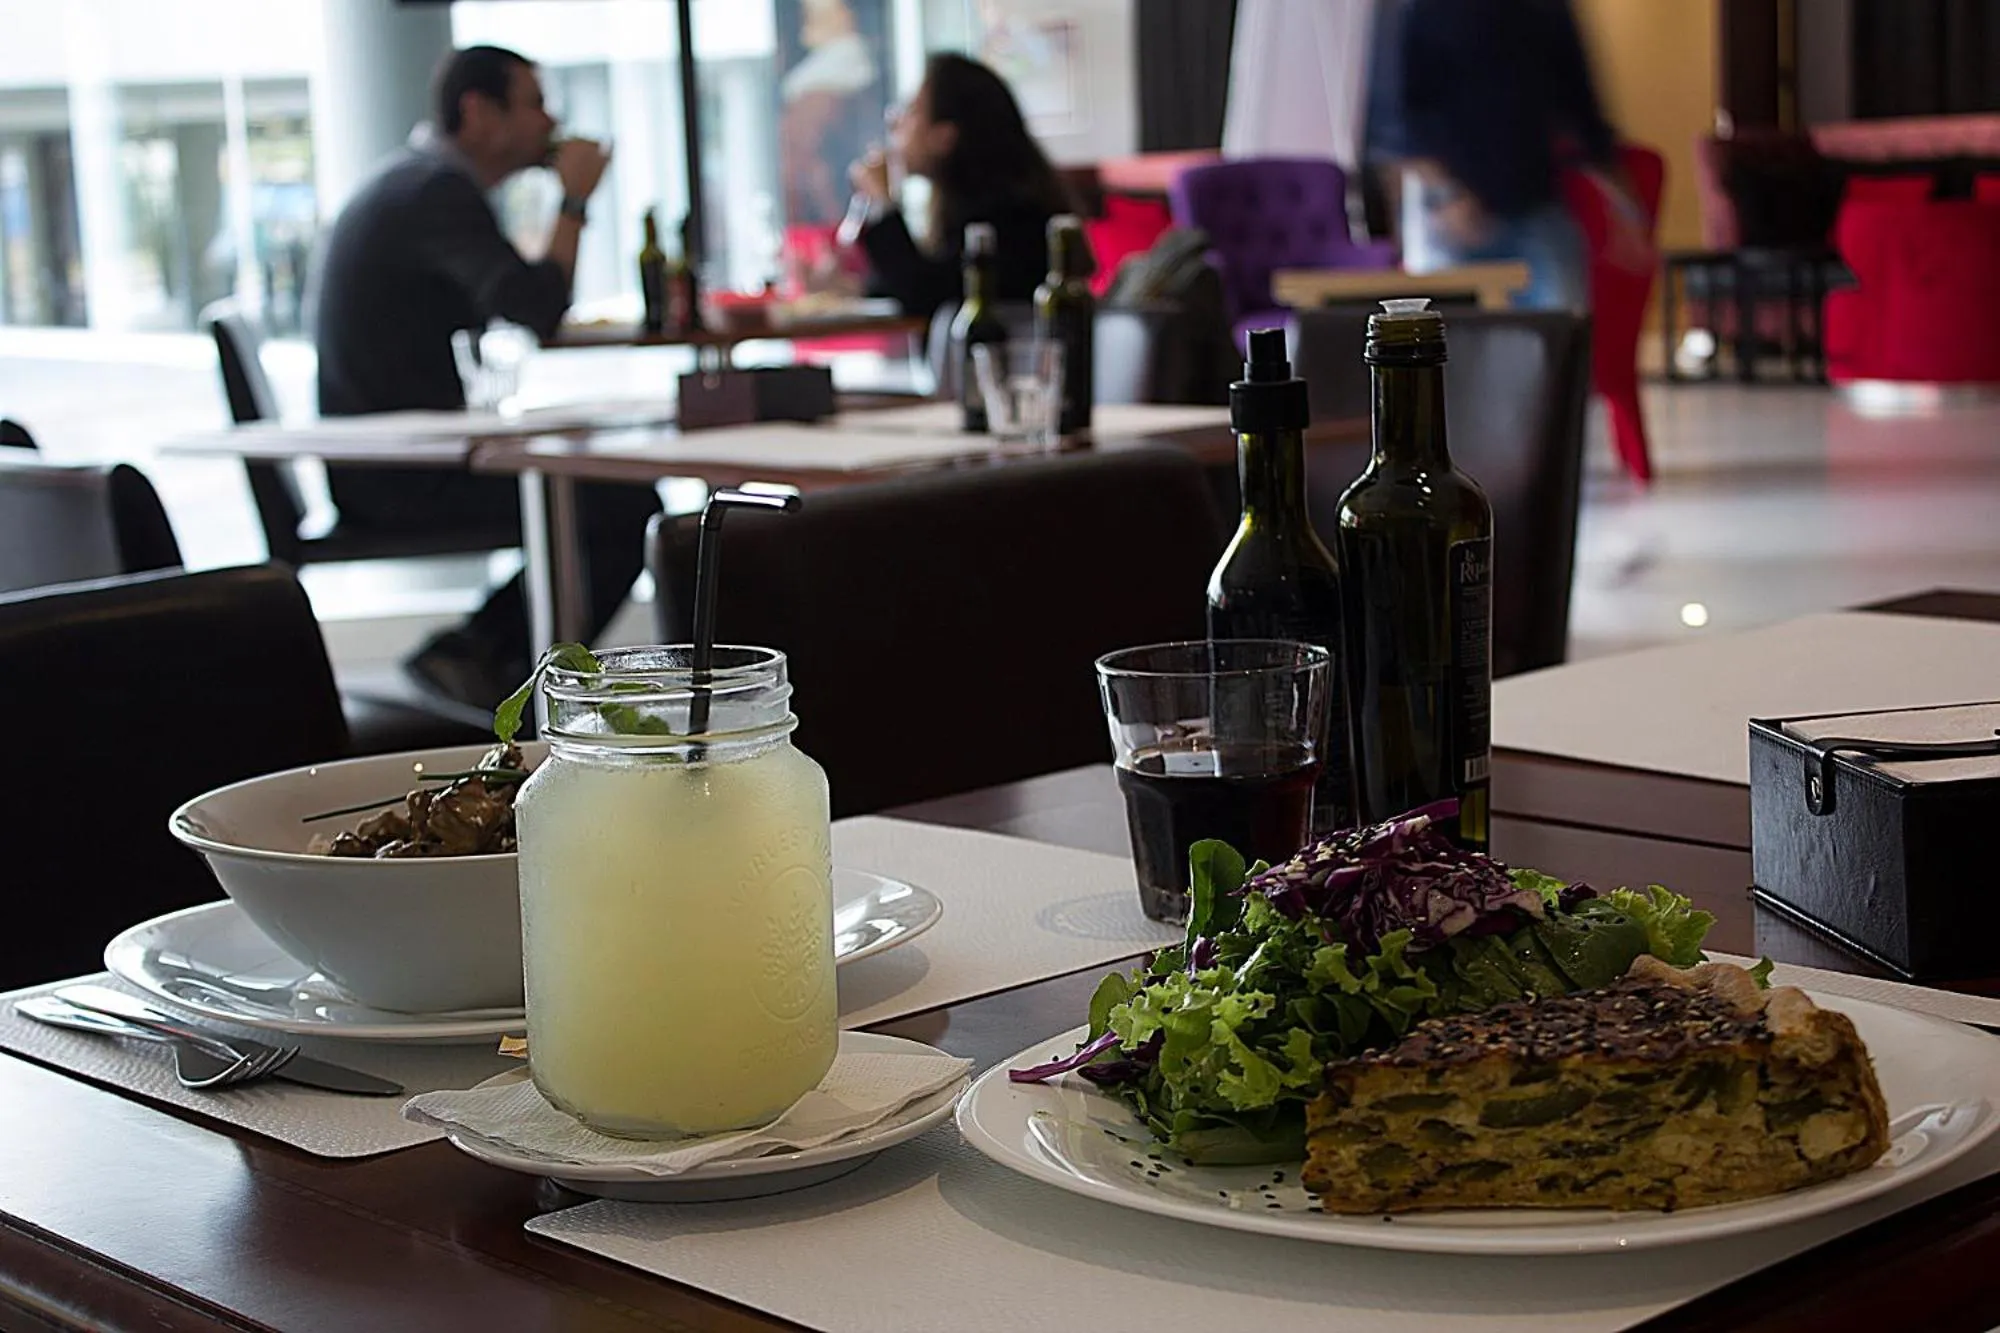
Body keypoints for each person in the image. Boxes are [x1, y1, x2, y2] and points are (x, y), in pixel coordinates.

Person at [311, 45, 662, 711]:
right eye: (533, 102)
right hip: (398, 473)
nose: (549, 120)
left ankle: (487, 659)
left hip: (393, 456)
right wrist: (576, 200)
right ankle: (482, 662)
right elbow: (538, 307)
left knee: (605, 493)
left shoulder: (417, 184)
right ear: (478, 112)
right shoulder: (435, 191)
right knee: (621, 502)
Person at [1381, 0, 1644, 311]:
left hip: (1534, 209)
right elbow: (1399, 122)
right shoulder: (1421, 10)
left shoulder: (1547, 10)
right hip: (1450, 220)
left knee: (1562, 335)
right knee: (1447, 347)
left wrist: (1627, 211)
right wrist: (1446, 193)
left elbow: (1584, 112)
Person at [840, 52, 1070, 319]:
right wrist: (850, 287)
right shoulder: (967, 205)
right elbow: (921, 283)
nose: (894, 123)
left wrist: (882, 200)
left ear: (944, 136)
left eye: (911, 111)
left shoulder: (1009, 217)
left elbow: (927, 297)